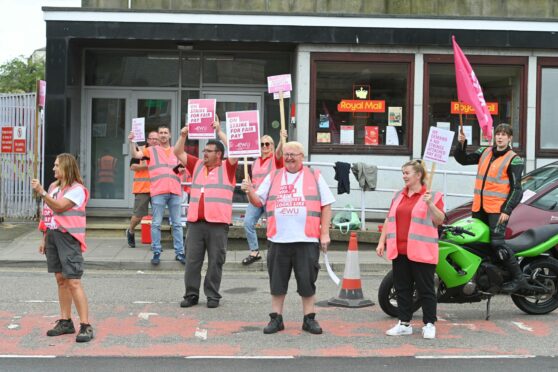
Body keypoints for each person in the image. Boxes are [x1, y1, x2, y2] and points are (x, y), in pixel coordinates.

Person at [242, 141, 335, 335]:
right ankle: (276, 319)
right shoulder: (274, 175)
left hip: (306, 239)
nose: (289, 158)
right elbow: (258, 201)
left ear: (303, 157)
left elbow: (326, 205)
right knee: (277, 282)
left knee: (307, 281)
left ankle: (309, 319)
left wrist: (324, 233)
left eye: (294, 154)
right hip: (278, 239)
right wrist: (249, 190)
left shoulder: (314, 176)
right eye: (286, 154)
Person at [376, 160, 445, 339]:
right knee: (402, 288)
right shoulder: (399, 195)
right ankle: (404, 323)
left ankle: (429, 323)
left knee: (426, 289)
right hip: (400, 250)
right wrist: (381, 241)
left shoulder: (433, 195)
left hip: (422, 251)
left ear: (418, 175)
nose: (404, 176)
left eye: (407, 173)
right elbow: (389, 219)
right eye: (403, 173)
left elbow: (440, 220)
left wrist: (430, 204)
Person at [174, 118, 238, 309]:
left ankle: (212, 295)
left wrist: (220, 133)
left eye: (208, 151)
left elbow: (235, 149)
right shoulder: (198, 165)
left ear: (219, 154)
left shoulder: (228, 167)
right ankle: (191, 295)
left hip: (217, 223)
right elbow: (178, 152)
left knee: (215, 262)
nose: (204, 154)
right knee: (192, 261)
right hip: (196, 223)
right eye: (204, 151)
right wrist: (182, 136)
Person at [31, 153, 94, 343]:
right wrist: (44, 237)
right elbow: (48, 214)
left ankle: (85, 325)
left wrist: (41, 192)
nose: (53, 168)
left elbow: (59, 207)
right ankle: (66, 321)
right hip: (53, 236)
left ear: (66, 167)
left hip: (68, 238)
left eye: (57, 165)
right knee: (60, 279)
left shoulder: (77, 190)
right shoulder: (53, 186)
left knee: (73, 281)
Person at [454, 123, 525, 293]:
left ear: (510, 138)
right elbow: (463, 160)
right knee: (479, 243)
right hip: (479, 207)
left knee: (497, 242)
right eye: (498, 134)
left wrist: (506, 211)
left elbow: (517, 190)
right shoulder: (484, 152)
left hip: (497, 210)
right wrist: (461, 144)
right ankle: (488, 277)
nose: (500, 137)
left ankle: (519, 278)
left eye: (504, 134)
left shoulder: (514, 159)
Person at [128, 125, 185, 265]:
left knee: (177, 224)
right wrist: (131, 142)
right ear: (158, 136)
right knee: (156, 223)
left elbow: (180, 167)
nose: (163, 135)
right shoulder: (151, 150)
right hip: (158, 191)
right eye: (161, 133)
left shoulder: (176, 151)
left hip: (175, 191)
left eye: (166, 132)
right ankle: (156, 252)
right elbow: (135, 155)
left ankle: (180, 253)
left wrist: (181, 171)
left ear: (170, 135)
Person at [242, 130, 286, 265]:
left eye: (268, 144)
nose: (265, 147)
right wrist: (249, 189)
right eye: (262, 144)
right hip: (257, 197)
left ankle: (277, 251)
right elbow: (253, 180)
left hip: (271, 198)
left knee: (273, 225)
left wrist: (281, 139)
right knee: (248, 222)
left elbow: (279, 152)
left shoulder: (276, 160)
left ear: (272, 146)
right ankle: (254, 251)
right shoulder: (254, 162)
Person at [126, 131, 159, 248]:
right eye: (152, 139)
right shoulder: (141, 150)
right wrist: (146, 166)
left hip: (158, 188)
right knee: (139, 215)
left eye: (156, 138)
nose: (154, 141)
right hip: (142, 188)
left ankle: (156, 243)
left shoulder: (161, 152)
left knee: (157, 216)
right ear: (148, 140)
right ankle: (130, 230)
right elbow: (132, 166)